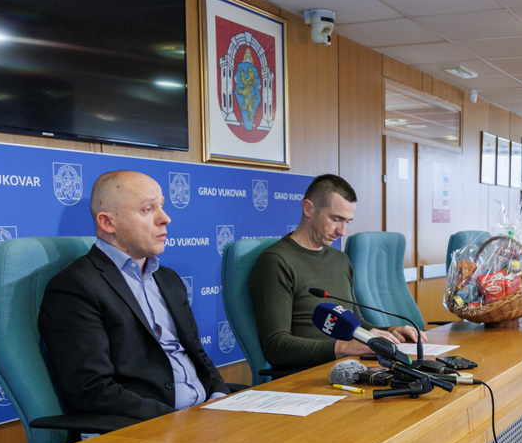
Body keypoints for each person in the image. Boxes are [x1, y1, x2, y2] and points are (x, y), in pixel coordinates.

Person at [38, 171, 229, 423]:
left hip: (205, 417)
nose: (165, 218)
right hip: (147, 429)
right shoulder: (75, 287)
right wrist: (180, 422)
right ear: (108, 223)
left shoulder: (168, 278)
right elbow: (91, 390)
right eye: (148, 209)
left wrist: (220, 398)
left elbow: (198, 355)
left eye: (162, 206)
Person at [249, 173, 424, 369]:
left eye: (346, 222)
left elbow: (356, 323)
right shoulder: (276, 262)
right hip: (306, 375)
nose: (342, 231)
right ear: (308, 208)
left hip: (349, 367)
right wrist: (344, 347)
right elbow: (276, 347)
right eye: (336, 219)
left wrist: (390, 332)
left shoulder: (340, 259)